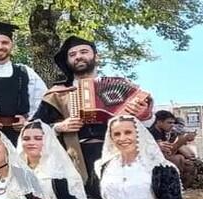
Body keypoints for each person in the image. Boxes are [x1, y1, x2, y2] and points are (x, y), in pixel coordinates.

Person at [34, 36, 153, 181]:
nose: (78, 56)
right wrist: (59, 127)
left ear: (96, 57)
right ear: (67, 61)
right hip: (75, 157)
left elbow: (148, 124)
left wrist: (144, 114)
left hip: (119, 153)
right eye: (72, 55)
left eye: (84, 52)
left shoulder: (121, 86)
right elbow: (33, 127)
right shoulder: (58, 94)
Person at [149, 110, 198, 188]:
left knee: (189, 164)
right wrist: (183, 139)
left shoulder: (162, 132)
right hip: (153, 163)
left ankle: (182, 188)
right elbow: (168, 153)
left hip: (160, 161)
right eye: (169, 123)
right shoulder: (153, 132)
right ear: (159, 122)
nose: (172, 125)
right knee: (179, 159)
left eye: (173, 123)